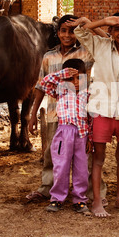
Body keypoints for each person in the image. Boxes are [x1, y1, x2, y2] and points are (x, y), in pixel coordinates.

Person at [26, 14, 107, 202]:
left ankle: (92, 193)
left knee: (85, 157)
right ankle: (47, 189)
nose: (68, 35)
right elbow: (40, 86)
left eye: (72, 31)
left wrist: (86, 23)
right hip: (56, 115)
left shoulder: (86, 52)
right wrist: (33, 115)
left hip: (81, 115)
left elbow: (105, 42)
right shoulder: (48, 56)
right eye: (63, 30)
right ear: (58, 32)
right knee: (52, 156)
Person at [72, 12, 119, 217]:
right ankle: (97, 202)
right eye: (118, 29)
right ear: (111, 32)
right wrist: (104, 22)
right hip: (101, 110)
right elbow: (79, 31)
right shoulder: (101, 46)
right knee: (98, 158)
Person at [38, 58, 92, 213]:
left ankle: (80, 199)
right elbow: (44, 83)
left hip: (82, 136)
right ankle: (57, 198)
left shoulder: (87, 94)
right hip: (63, 133)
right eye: (70, 78)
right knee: (61, 167)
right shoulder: (61, 90)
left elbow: (91, 117)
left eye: (78, 78)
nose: (74, 82)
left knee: (81, 168)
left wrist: (91, 138)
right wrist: (62, 74)